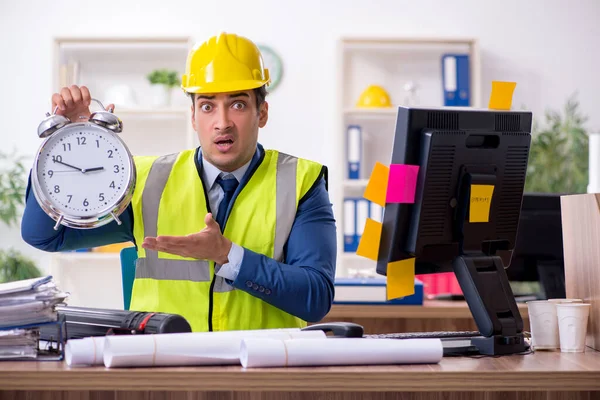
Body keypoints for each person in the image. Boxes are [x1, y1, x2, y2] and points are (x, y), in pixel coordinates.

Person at [21, 32, 337, 332]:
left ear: (262, 113)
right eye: (208, 105)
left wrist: (228, 255)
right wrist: (65, 138)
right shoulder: (142, 181)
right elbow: (45, 236)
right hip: (165, 372)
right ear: (193, 116)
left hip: (261, 373)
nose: (222, 122)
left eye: (238, 104)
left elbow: (315, 297)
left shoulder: (301, 183)